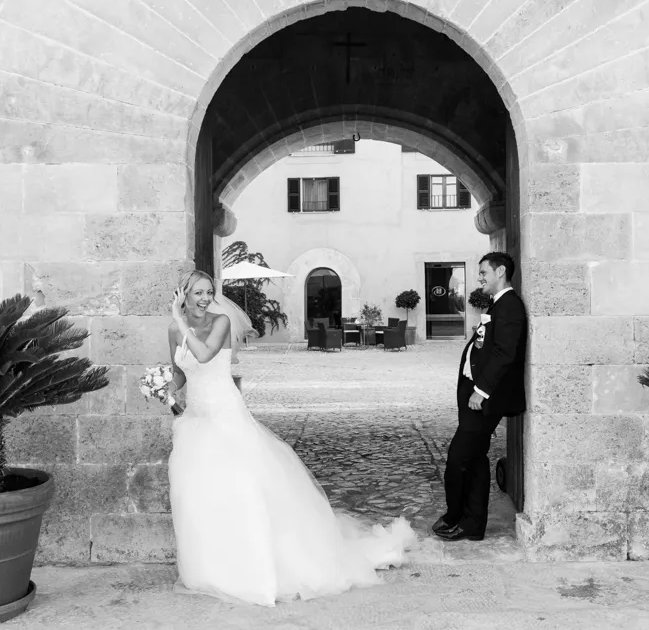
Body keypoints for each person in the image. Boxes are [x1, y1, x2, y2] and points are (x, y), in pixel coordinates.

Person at [165, 269, 417, 606]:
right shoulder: (173, 330)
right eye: (198, 292)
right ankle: (211, 568)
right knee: (201, 491)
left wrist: (180, 322)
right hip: (196, 419)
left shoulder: (221, 321)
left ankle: (257, 571)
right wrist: (167, 388)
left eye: (209, 291)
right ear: (184, 294)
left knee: (242, 486)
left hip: (225, 414)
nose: (205, 298)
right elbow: (182, 370)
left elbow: (205, 355)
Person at [433, 252, 527, 542]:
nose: (480, 278)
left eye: (484, 272)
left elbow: (505, 354)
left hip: (483, 397)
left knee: (457, 459)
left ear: (500, 272)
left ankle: (454, 515)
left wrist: (481, 391)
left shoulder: (510, 306)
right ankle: (472, 526)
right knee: (474, 460)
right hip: (472, 392)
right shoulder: (497, 304)